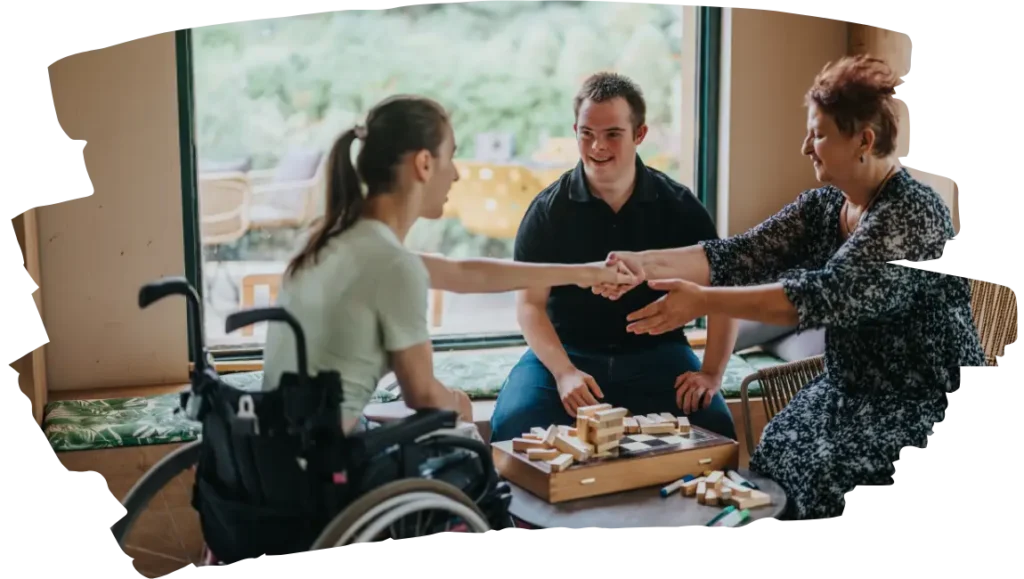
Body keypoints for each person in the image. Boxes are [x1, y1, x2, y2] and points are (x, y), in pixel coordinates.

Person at [594, 55, 985, 523]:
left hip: (920, 400)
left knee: (824, 474)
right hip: (849, 391)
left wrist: (701, 301)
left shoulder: (913, 214)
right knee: (776, 450)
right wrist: (640, 264)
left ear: (864, 140)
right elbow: (736, 255)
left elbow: (822, 296)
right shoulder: (824, 207)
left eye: (818, 134)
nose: (806, 147)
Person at [260, 94, 637, 436]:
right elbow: (423, 395)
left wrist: (587, 273)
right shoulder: (391, 265)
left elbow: (466, 273)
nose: (455, 174)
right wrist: (459, 404)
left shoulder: (334, 244)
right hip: (324, 470)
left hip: (278, 459)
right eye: (450, 156)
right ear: (424, 163)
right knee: (463, 434)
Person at [488, 72, 739, 443]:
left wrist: (712, 373)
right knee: (513, 423)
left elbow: (724, 291)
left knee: (714, 426)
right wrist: (564, 373)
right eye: (586, 133)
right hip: (568, 351)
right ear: (575, 130)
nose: (596, 146)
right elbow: (529, 306)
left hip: (658, 352)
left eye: (612, 134)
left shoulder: (680, 207)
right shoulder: (546, 211)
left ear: (639, 135)